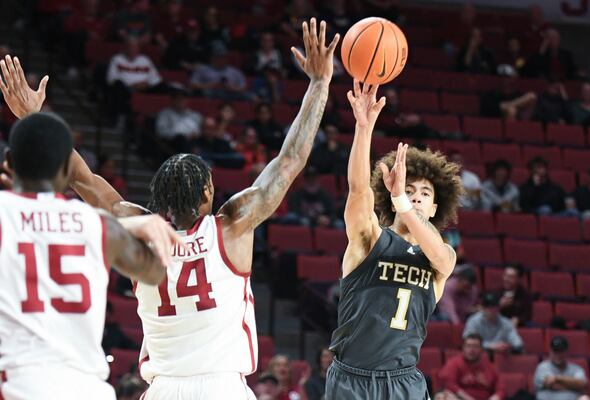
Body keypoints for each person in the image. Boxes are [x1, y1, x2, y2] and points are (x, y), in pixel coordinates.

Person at [4, 21, 340, 399]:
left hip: (163, 389)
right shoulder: (232, 227)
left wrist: (31, 118)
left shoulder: (136, 229)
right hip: (223, 388)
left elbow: (80, 177)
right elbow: (290, 159)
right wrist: (319, 83)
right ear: (207, 193)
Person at [0, 109, 177, 398]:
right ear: (66, 170)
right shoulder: (97, 223)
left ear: (9, 163)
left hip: (21, 384)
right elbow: (156, 271)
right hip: (89, 389)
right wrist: (130, 225)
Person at [326, 81, 463, 399]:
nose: (416, 198)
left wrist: (401, 197)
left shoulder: (442, 256)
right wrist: (364, 128)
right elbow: (359, 191)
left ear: (434, 207)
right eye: (409, 189)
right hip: (351, 379)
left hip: (403, 382)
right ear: (390, 195)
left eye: (424, 194)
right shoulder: (370, 239)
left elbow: (440, 257)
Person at [438, 334, 504, 400]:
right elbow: (449, 384)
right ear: (463, 348)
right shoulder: (453, 363)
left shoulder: (490, 367)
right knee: (443, 396)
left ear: (481, 349)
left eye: (475, 346)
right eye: (468, 346)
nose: (471, 350)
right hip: (460, 398)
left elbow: (501, 389)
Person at [156, 90, 202, 154]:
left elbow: (199, 130)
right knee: (181, 139)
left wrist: (195, 134)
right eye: (178, 99)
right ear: (172, 100)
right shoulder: (165, 114)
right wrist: (184, 135)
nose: (180, 101)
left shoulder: (193, 114)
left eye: (183, 98)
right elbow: (161, 132)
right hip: (174, 143)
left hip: (194, 141)